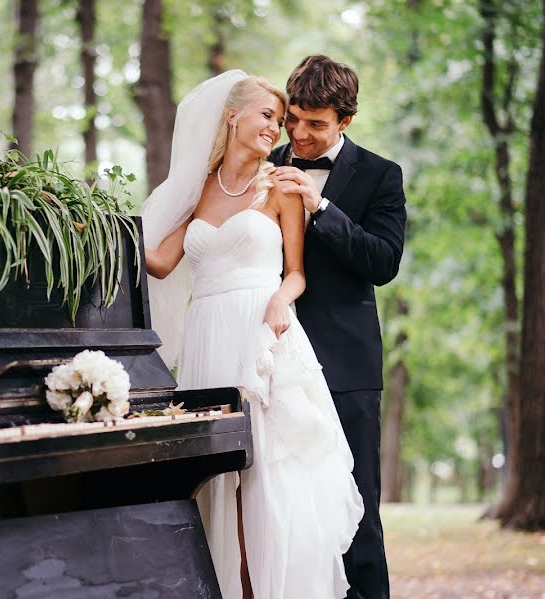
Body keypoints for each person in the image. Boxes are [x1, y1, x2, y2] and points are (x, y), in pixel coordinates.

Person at [142, 70, 363, 599]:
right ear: (231, 115)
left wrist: (279, 303)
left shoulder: (281, 184)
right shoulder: (198, 190)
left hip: (260, 334)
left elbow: (296, 273)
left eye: (278, 119)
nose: (277, 127)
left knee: (266, 477)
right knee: (214, 478)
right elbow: (157, 262)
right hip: (206, 336)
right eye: (268, 115)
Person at [270, 55, 408, 599]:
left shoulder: (380, 175)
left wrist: (320, 206)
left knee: (356, 506)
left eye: (316, 124)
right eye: (293, 120)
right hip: (271, 358)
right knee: (278, 503)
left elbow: (383, 263)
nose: (300, 135)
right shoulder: (263, 163)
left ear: (345, 121)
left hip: (345, 367)